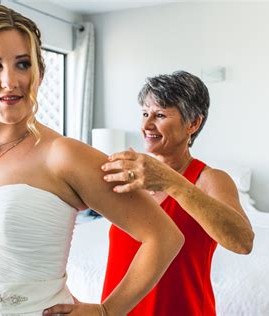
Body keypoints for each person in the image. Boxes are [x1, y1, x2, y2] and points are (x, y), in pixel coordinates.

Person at [0, 5, 184, 316]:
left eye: (23, 64)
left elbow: (164, 237)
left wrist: (106, 311)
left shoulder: (63, 155)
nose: (10, 80)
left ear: (40, 74)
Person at [100, 71, 255, 315]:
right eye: (144, 113)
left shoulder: (210, 179)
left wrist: (172, 183)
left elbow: (243, 242)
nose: (146, 125)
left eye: (160, 115)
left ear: (193, 124)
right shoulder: (131, 175)